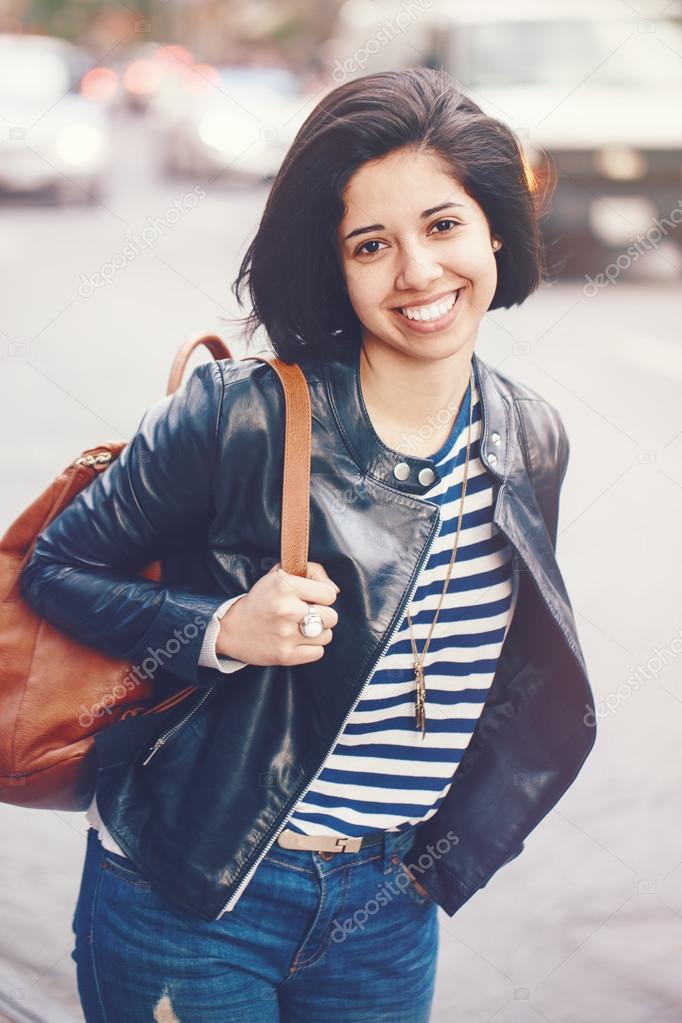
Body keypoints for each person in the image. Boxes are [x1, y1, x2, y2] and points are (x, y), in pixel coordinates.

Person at [20, 66, 597, 1023]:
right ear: (335, 267)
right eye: (373, 244)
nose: (417, 272)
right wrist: (221, 627)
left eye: (444, 225)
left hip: (384, 909)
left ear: (495, 227)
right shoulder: (239, 413)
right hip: (191, 898)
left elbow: (505, 682)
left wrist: (433, 868)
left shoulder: (531, 437)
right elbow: (56, 570)